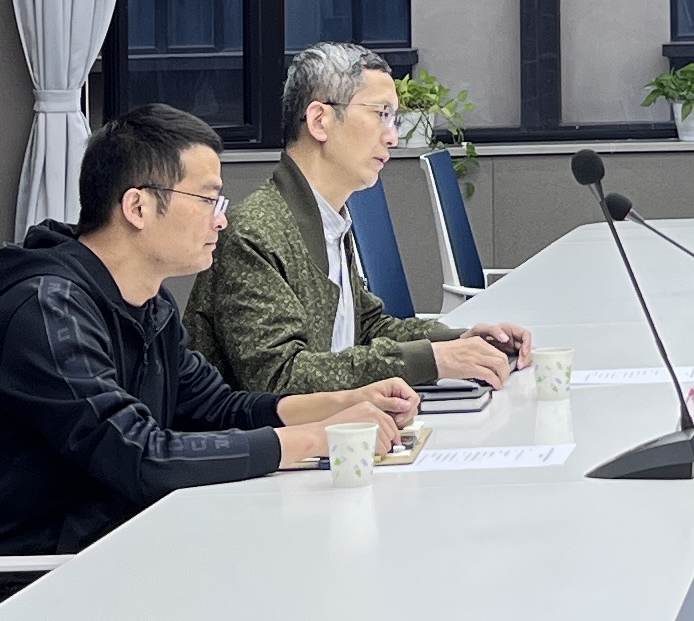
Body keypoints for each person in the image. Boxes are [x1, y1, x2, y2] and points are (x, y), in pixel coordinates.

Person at [0, 106, 414, 621]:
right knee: (280, 608)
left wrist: (340, 404)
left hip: (102, 553)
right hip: (5, 598)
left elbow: (218, 407)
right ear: (138, 206)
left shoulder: (148, 303)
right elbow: (142, 457)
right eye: (208, 200)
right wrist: (315, 440)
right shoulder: (47, 312)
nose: (221, 220)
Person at [191, 43, 534, 398]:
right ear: (320, 120)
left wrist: (461, 341)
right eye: (381, 114)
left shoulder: (329, 218)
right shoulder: (254, 233)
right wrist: (432, 359)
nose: (393, 137)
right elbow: (281, 380)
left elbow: (366, 328)